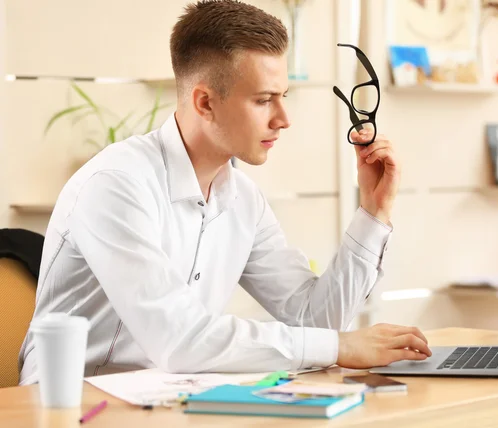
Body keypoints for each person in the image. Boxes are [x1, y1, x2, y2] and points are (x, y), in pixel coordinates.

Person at [18, 0, 431, 385]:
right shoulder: (116, 184)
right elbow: (178, 340)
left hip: (170, 401)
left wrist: (374, 213)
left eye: (283, 97)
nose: (284, 119)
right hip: (72, 404)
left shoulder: (244, 200)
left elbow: (316, 320)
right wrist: (340, 347)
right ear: (205, 102)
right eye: (264, 100)